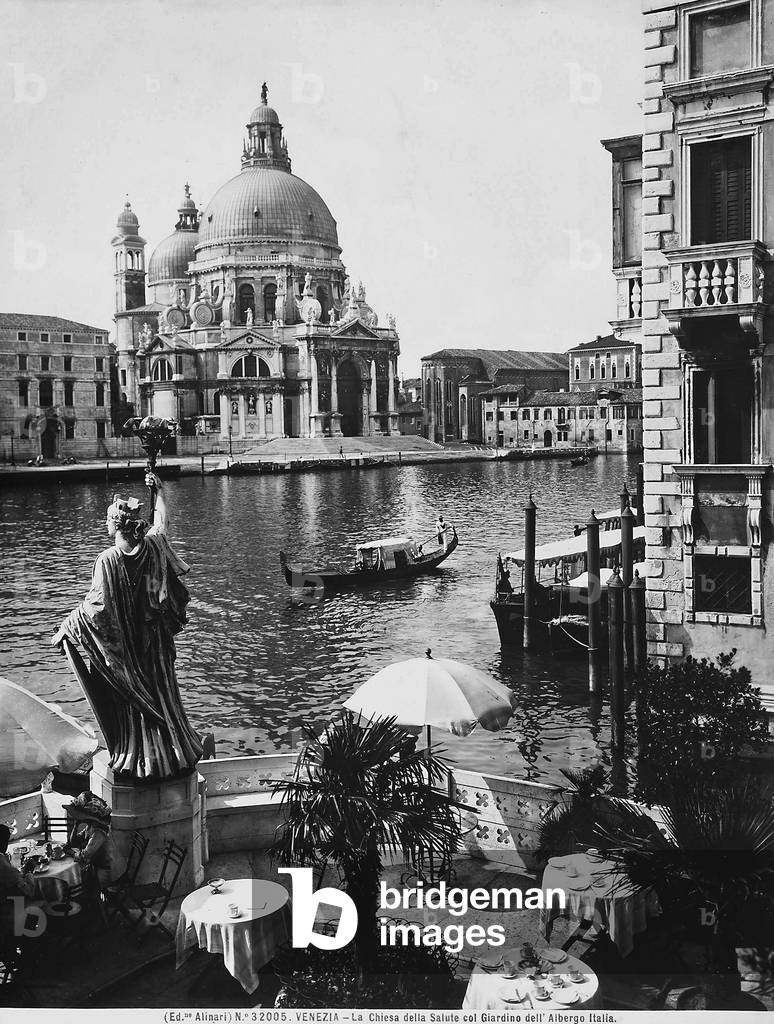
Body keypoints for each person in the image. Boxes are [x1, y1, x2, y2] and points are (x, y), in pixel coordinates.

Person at [52, 472, 203, 780]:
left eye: (107, 520)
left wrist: (67, 626)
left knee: (132, 706)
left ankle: (140, 758)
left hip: (129, 652)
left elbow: (97, 607)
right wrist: (160, 492)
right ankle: (175, 753)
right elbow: (162, 524)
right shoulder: (154, 547)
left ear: (115, 525)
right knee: (164, 696)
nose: (105, 525)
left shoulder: (107, 560)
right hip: (156, 647)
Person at [66, 792, 115, 895]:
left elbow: (84, 856)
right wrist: (76, 825)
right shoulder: (90, 827)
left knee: (81, 886)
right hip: (95, 866)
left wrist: (70, 852)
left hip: (104, 870)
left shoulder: (99, 833)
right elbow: (74, 842)